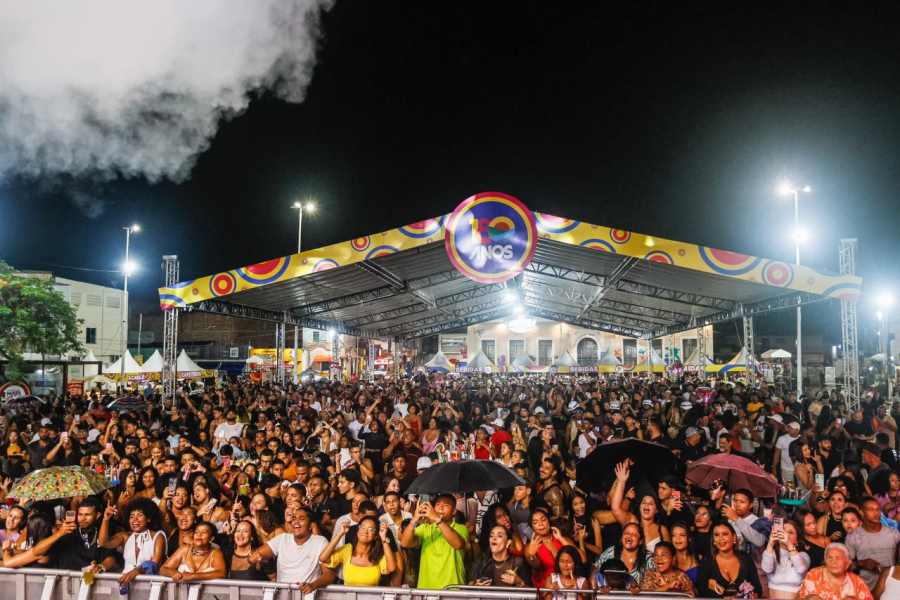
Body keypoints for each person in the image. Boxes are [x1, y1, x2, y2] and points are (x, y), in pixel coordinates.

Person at [249, 505, 335, 593]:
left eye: (301, 519)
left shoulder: (320, 542)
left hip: (307, 595)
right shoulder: (282, 538)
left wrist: (313, 585)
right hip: (282, 595)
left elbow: (329, 574)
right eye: (294, 519)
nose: (296, 521)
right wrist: (253, 556)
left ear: (311, 525)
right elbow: (255, 554)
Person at [29, 497, 117, 573]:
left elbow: (111, 557)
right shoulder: (68, 530)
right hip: (66, 581)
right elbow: (38, 551)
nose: (82, 518)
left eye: (87, 515)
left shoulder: (103, 532)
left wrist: (100, 567)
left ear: (97, 515)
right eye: (80, 514)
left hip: (91, 580)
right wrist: (60, 532)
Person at [399, 494, 468, 589]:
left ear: (454, 511)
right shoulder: (425, 528)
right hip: (427, 589)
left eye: (446, 505)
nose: (441, 507)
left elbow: (458, 544)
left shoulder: (461, 528)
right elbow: (405, 543)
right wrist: (414, 520)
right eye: (438, 504)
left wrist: (437, 519)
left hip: (453, 589)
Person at [99, 497, 167, 588]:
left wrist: (137, 571)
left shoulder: (158, 536)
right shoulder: (125, 537)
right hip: (125, 585)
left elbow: (153, 565)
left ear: (148, 519)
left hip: (149, 587)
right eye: (131, 516)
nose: (135, 519)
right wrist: (106, 519)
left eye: (139, 515)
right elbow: (103, 543)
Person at [319, 516, 396, 586]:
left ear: (375, 535)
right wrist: (341, 533)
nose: (365, 531)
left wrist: (383, 538)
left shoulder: (378, 554)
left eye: (370, 529)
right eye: (363, 527)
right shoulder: (348, 550)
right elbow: (323, 558)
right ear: (357, 531)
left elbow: (391, 568)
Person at [844, 496, 900, 591]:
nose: (876, 513)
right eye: (871, 510)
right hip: (865, 589)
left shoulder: (893, 534)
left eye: (878, 509)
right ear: (861, 513)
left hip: (889, 588)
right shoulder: (853, 536)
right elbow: (846, 566)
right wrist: (861, 563)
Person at [696, 522, 762, 598]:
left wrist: (753, 596)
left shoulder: (746, 559)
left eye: (725, 534)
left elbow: (758, 589)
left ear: (734, 537)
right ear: (713, 539)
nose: (720, 538)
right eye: (716, 535)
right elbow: (701, 589)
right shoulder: (707, 560)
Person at [796, 543, 874, 600]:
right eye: (829, 557)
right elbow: (799, 598)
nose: (833, 562)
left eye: (838, 558)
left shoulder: (856, 582)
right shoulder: (815, 575)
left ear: (847, 563)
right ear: (825, 560)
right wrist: (809, 598)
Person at [160, 521, 227, 581]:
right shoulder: (184, 550)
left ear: (211, 538)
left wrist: (193, 576)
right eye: (196, 532)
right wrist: (172, 572)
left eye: (204, 532)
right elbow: (163, 569)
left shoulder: (215, 553)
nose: (199, 534)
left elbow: (221, 573)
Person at [761, 519, 810, 599]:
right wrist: (770, 543)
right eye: (782, 531)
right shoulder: (770, 553)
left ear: (797, 539)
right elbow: (767, 569)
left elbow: (801, 569)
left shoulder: (803, 556)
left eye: (790, 532)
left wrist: (789, 544)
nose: (785, 534)